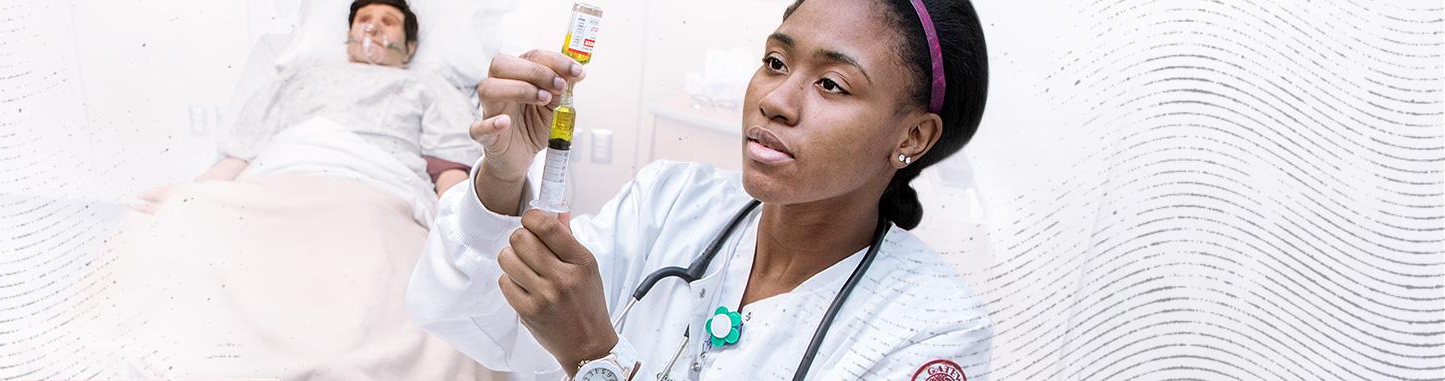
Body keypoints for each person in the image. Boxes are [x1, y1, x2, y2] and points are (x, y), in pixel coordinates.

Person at [407, 0, 991, 379]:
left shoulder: (931, 329)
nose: (776, 101)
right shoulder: (671, 202)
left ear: (913, 134)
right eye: (776, 61)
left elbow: (578, 347)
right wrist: (505, 177)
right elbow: (483, 323)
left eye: (833, 84)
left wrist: (595, 356)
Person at [137, 0, 480, 215]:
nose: (372, 27)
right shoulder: (302, 77)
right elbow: (240, 155)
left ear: (409, 47)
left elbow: (448, 168)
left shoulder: (426, 86)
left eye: (388, 21)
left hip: (377, 190)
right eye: (364, 19)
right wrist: (191, 196)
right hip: (284, 176)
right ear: (348, 37)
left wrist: (454, 233)